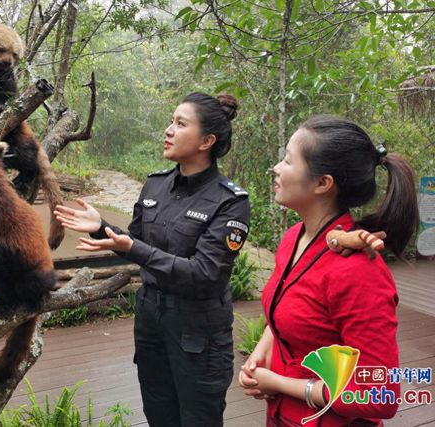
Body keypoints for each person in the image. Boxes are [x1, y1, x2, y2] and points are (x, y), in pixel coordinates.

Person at [54, 92, 250, 426]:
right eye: (171, 121)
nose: (168, 130)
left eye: (180, 123)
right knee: (158, 415)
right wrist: (101, 227)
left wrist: (133, 248)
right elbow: (137, 241)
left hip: (197, 332)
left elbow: (206, 274)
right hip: (151, 323)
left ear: (207, 140)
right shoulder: (156, 185)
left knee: (198, 418)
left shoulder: (229, 202)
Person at [238, 116, 418, 427]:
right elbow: (283, 311)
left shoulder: (359, 271)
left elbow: (379, 395)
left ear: (323, 183)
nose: (276, 169)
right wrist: (261, 352)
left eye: (287, 161)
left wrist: (278, 383)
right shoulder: (293, 238)